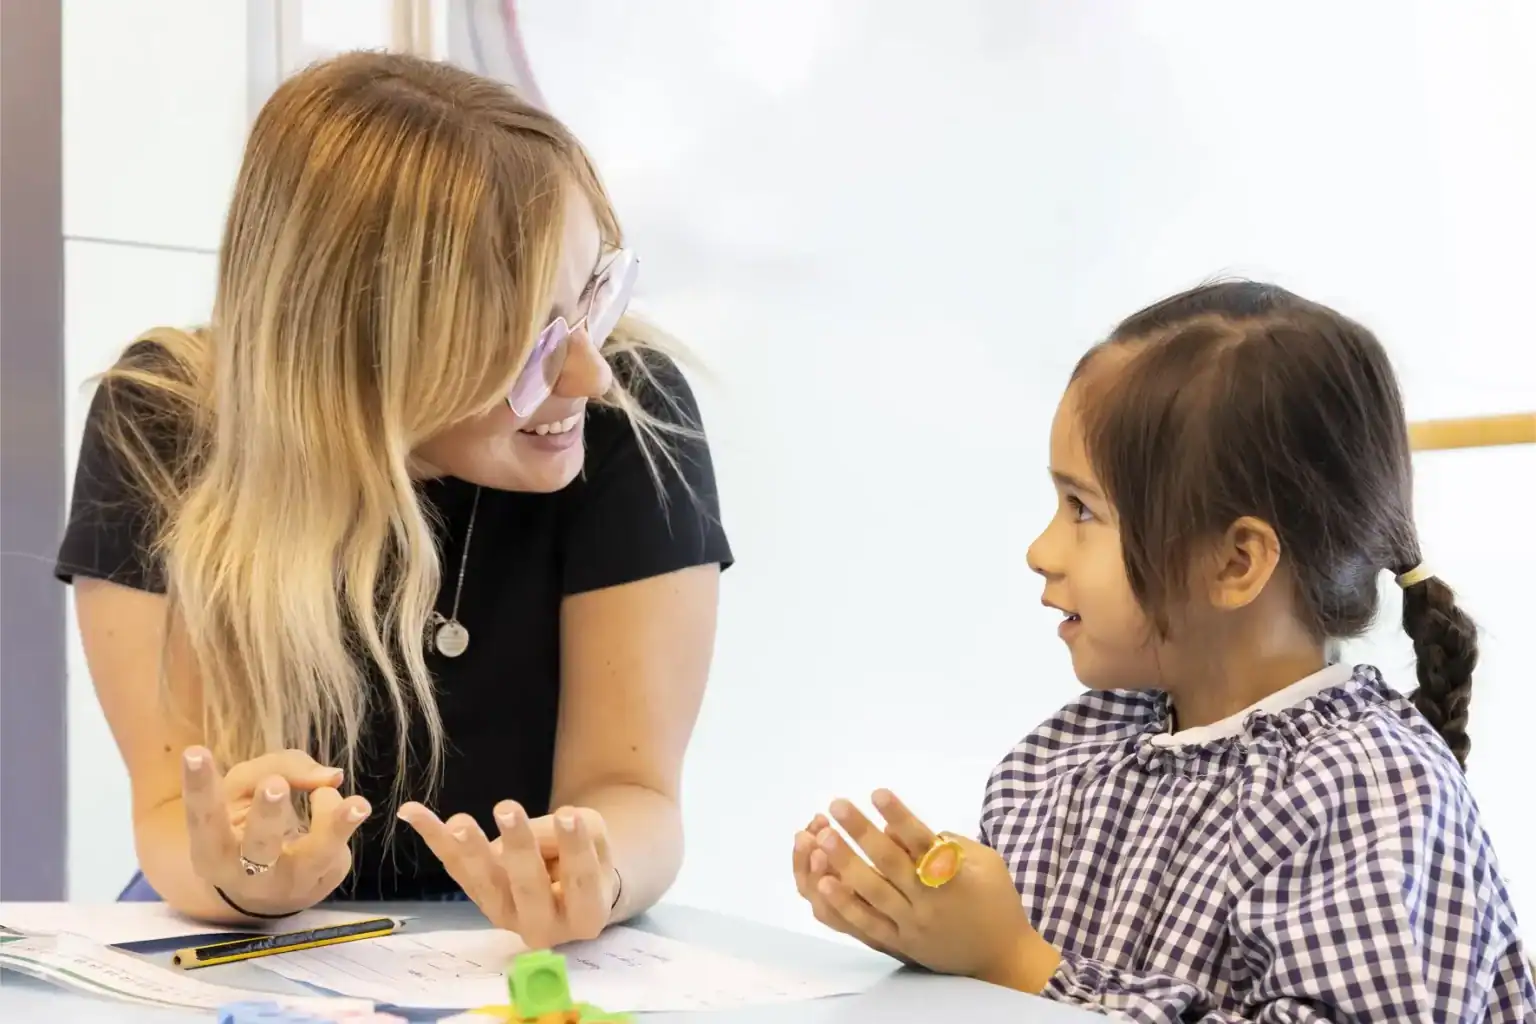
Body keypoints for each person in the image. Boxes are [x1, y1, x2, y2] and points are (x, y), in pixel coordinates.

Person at [55, 51, 731, 946]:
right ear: (361, 348)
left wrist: (594, 874)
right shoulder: (161, 423)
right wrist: (251, 883)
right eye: (530, 337)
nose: (589, 370)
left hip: (516, 940)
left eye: (591, 300)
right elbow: (174, 812)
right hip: (235, 935)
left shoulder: (630, 419)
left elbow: (634, 792)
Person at [790, 281, 1534, 1021]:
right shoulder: (1067, 757)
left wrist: (1014, 962)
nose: (1040, 550)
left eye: (1083, 510)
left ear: (1236, 563)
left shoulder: (1371, 791)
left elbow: (1026, 968)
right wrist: (920, 929)